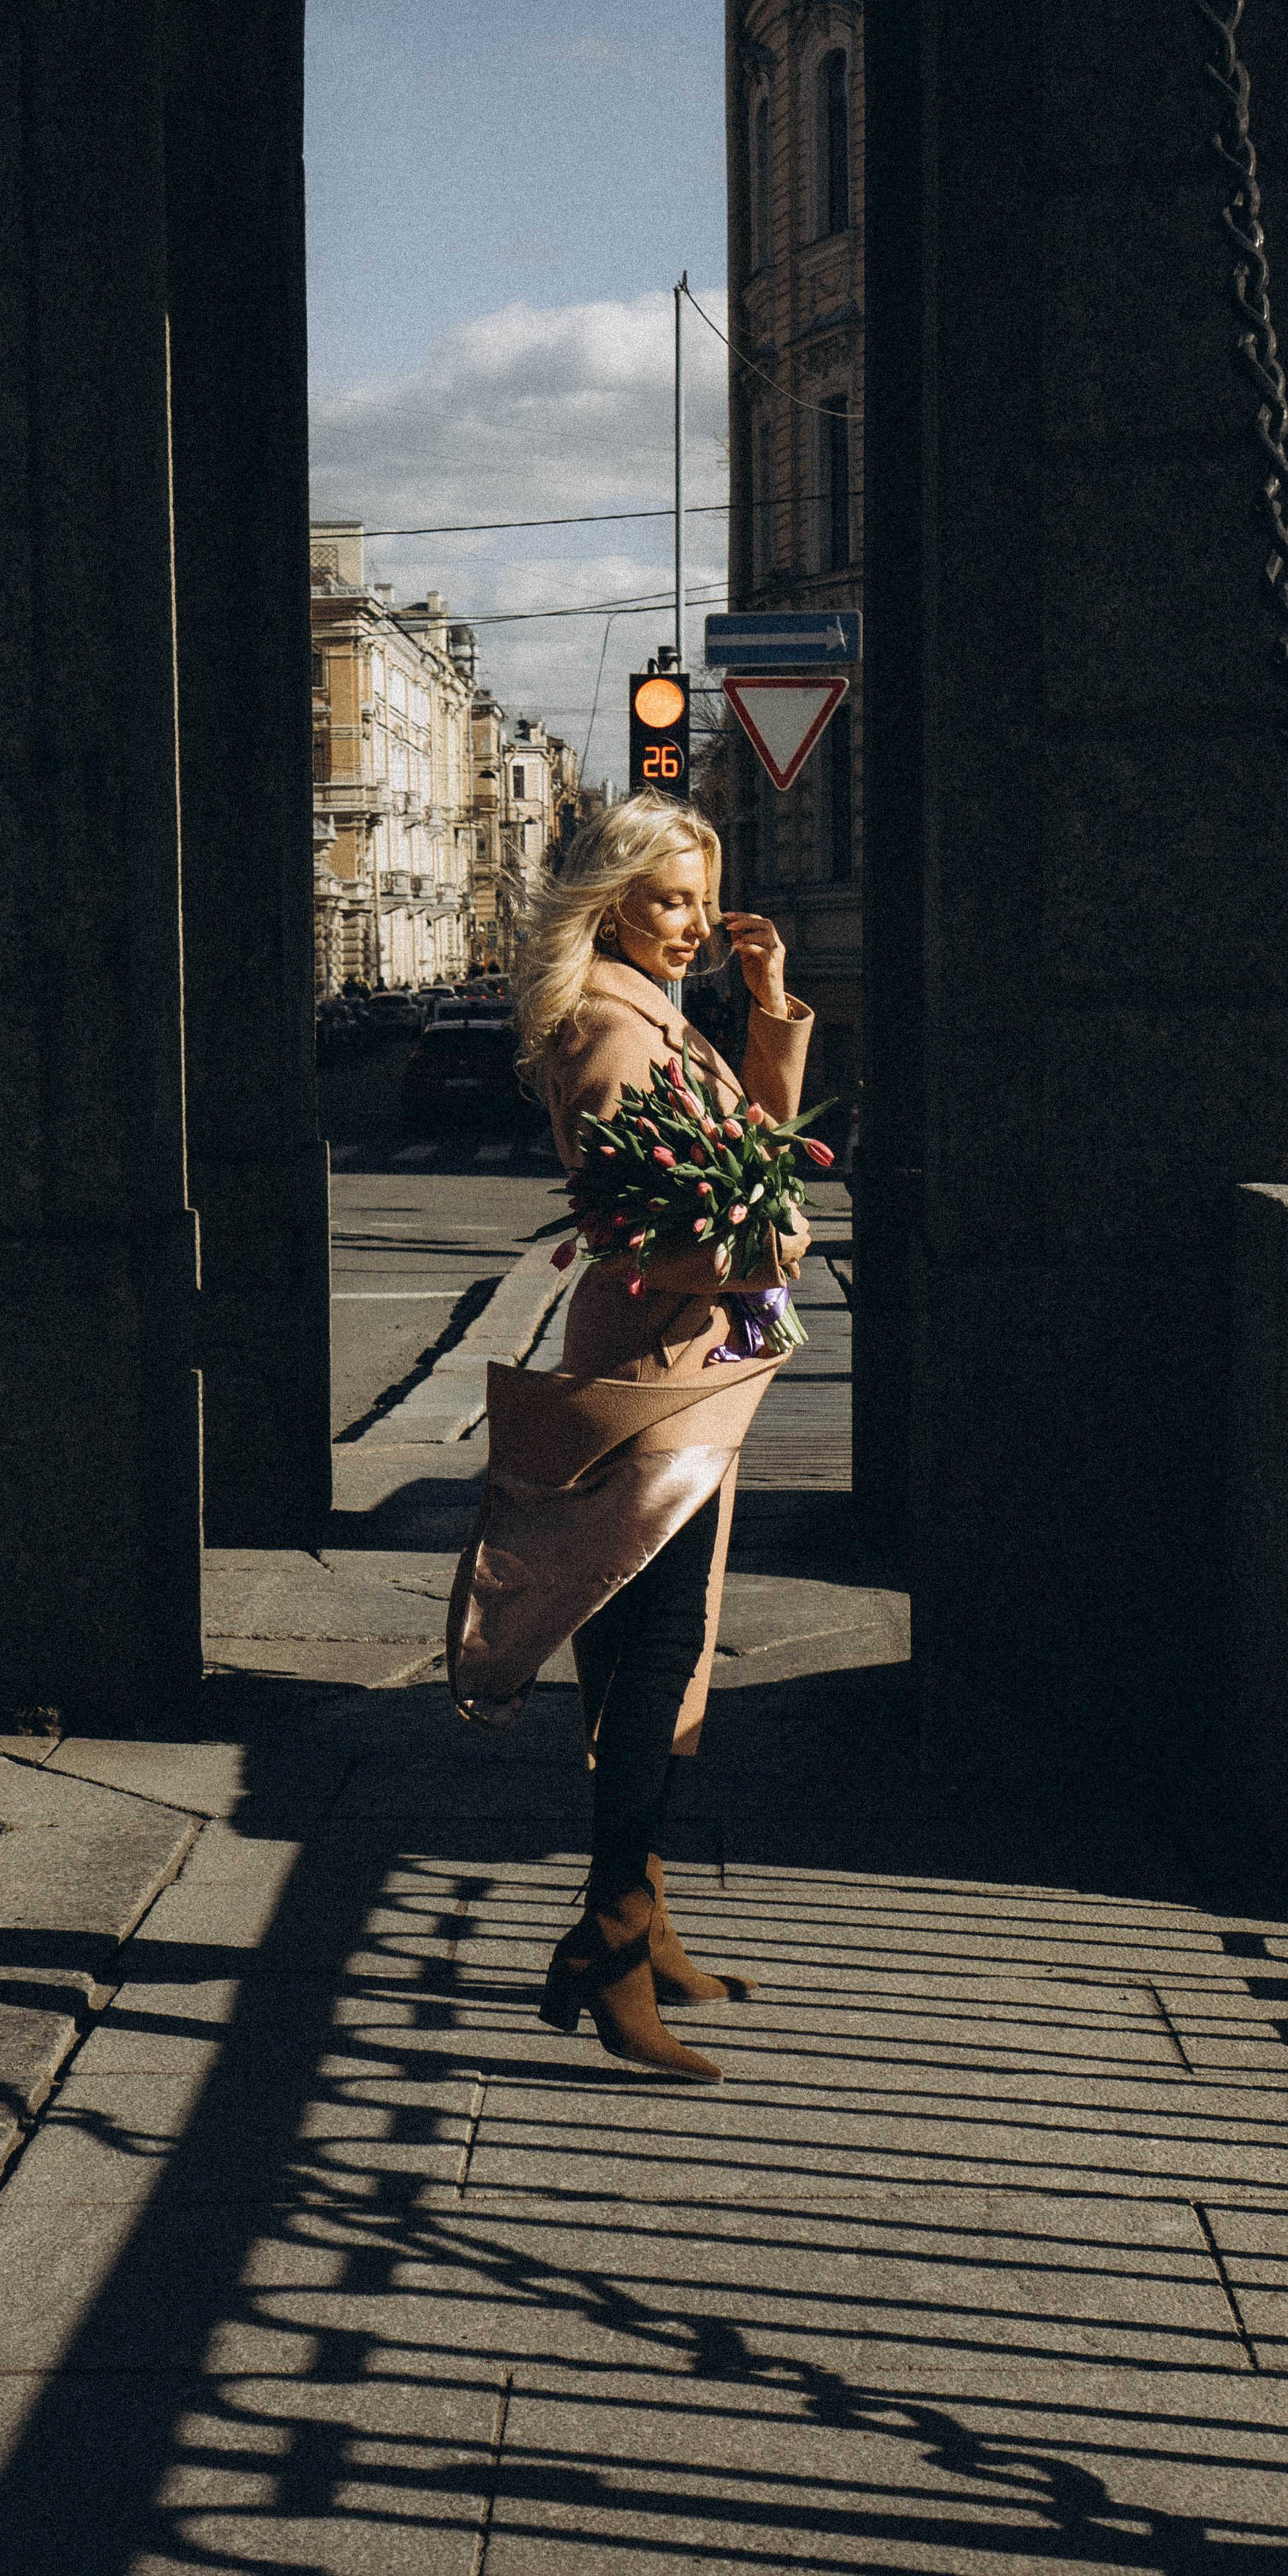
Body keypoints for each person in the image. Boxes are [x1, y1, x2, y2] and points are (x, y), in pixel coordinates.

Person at [445, 790, 811, 2082]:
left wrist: (767, 1006)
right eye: (672, 900)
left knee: (649, 1647)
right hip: (656, 1367)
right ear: (611, 902)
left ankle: (645, 1921)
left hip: (689, 1362)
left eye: (705, 902)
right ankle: (605, 1941)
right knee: (653, 1652)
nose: (696, 925)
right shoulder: (608, 1027)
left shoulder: (658, 1012)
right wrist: (764, 1247)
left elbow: (757, 1145)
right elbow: (632, 1228)